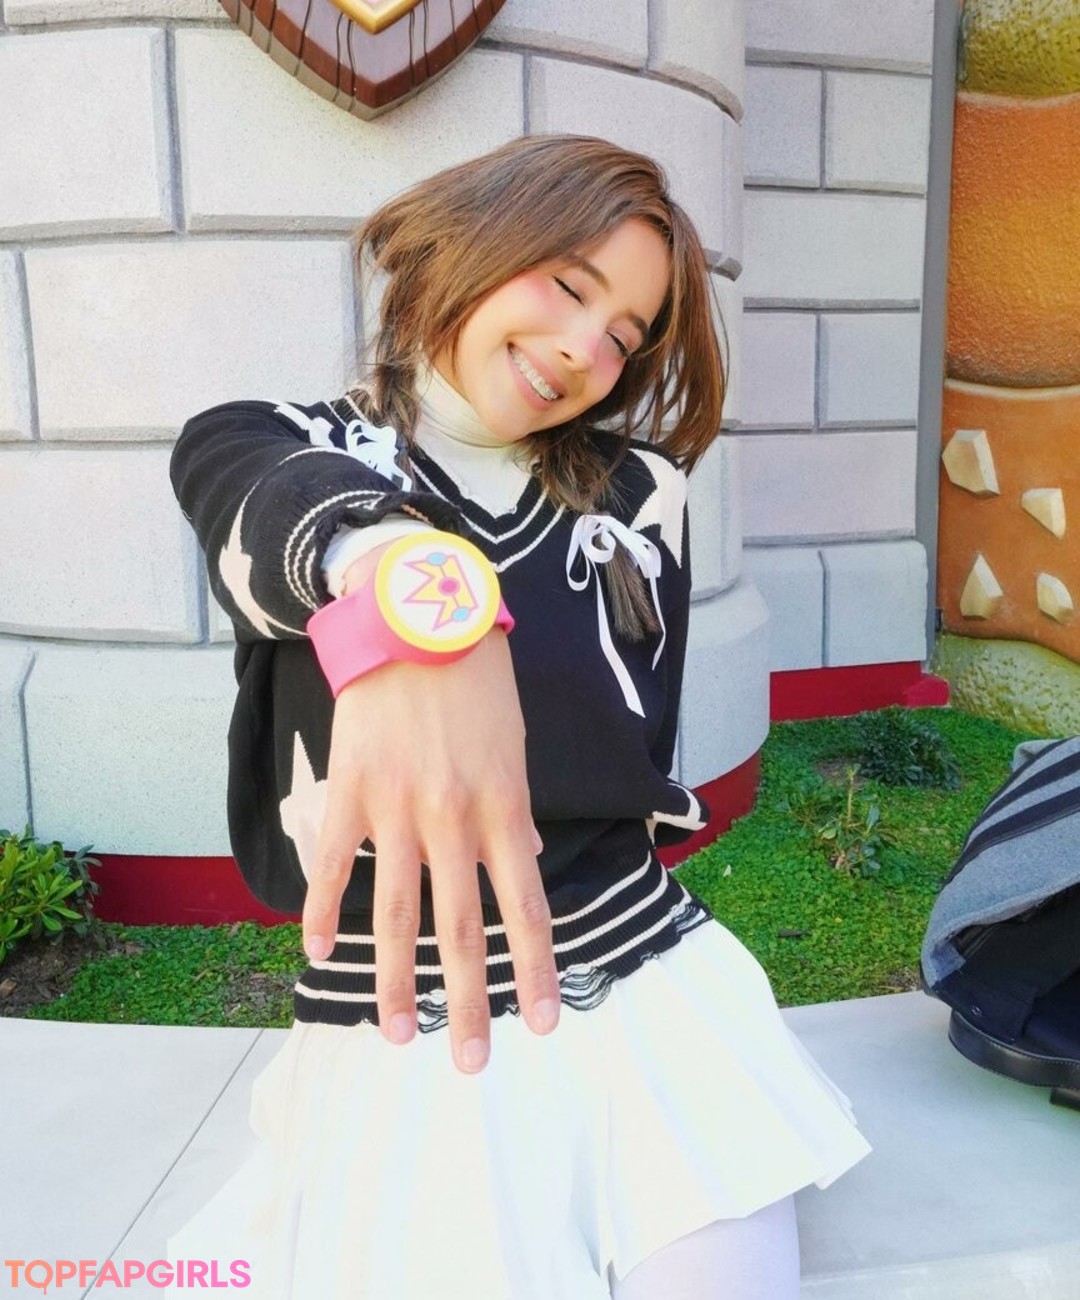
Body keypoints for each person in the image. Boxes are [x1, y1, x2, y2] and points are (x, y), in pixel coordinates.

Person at [166, 134, 870, 1299]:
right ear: (474, 238)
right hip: (404, 1016)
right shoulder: (282, 446)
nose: (586, 350)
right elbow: (260, 514)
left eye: (626, 335)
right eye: (568, 285)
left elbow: (641, 744)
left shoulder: (642, 494)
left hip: (640, 978)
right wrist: (423, 603)